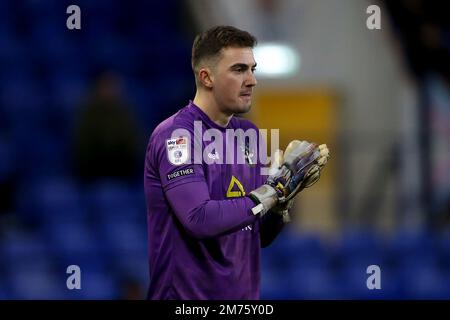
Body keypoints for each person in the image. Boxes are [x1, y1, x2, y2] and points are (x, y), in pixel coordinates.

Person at [144, 25, 329, 300]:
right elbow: (199, 219)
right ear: (206, 77)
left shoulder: (249, 135)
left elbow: (256, 233)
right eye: (239, 69)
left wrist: (283, 200)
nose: (252, 80)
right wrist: (271, 192)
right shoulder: (177, 136)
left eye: (253, 69)